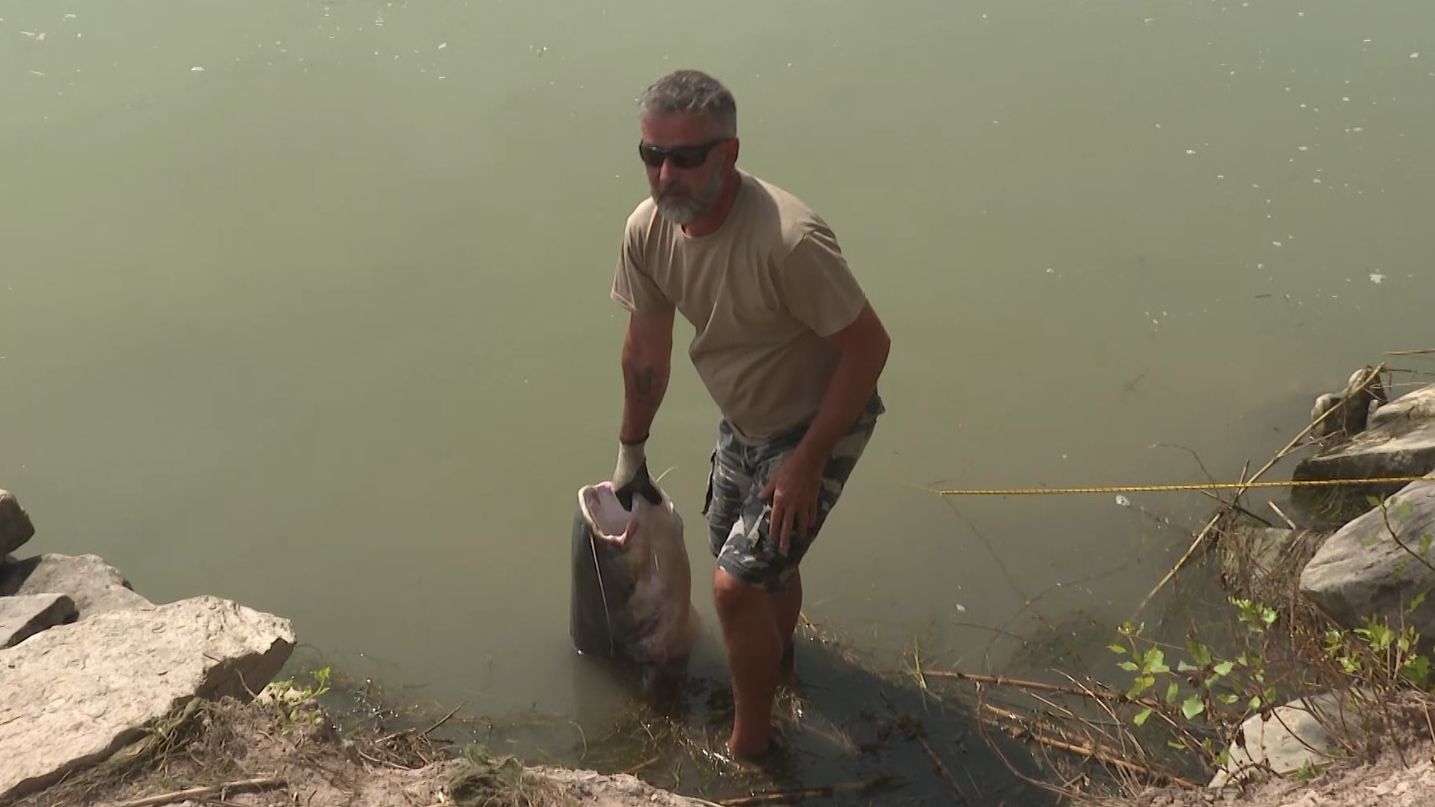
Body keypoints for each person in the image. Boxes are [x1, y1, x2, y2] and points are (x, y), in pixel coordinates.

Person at [608, 69, 890, 761]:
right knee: (752, 568)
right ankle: (781, 659)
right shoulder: (648, 232)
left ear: (728, 153)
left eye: (686, 156)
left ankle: (749, 750)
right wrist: (629, 456)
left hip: (820, 418)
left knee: (733, 588)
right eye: (651, 155)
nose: (665, 174)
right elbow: (646, 354)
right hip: (743, 417)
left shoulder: (789, 241)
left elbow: (868, 347)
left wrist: (808, 459)